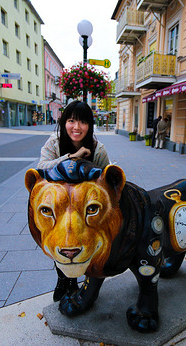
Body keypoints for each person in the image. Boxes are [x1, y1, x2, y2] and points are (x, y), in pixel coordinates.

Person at [37, 100, 110, 301]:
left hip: (85, 208)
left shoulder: (98, 148)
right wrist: (73, 156)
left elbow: (107, 178)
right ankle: (63, 279)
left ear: (90, 125)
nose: (76, 127)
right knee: (59, 239)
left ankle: (85, 279)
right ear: (64, 122)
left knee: (84, 243)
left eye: (83, 122)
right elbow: (41, 168)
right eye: (71, 121)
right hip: (59, 207)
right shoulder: (54, 142)